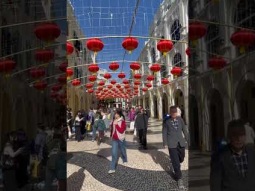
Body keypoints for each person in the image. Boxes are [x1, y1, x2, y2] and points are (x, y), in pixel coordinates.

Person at [210, 119, 255, 191]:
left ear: (245, 136)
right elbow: (215, 184)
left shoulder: (251, 153)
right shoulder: (219, 157)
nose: (239, 139)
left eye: (241, 135)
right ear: (229, 136)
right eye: (235, 135)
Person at [162, 106, 189, 189]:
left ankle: (176, 164)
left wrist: (188, 140)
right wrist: (165, 143)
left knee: (182, 158)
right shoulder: (166, 121)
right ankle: (179, 178)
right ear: (170, 113)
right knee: (176, 162)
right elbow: (164, 132)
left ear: (176, 113)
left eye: (175, 112)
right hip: (171, 144)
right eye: (172, 113)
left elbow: (184, 130)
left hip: (181, 143)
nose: (174, 114)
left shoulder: (180, 119)